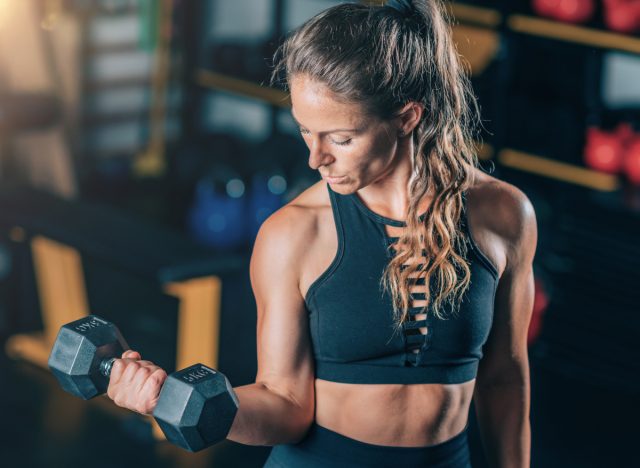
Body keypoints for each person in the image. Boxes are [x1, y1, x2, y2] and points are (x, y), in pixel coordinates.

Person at [106, 1, 537, 466]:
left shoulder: (504, 214)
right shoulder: (293, 233)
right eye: (305, 131)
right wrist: (171, 400)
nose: (315, 158)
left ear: (407, 116)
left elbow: (504, 379)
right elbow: (284, 405)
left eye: (341, 138)